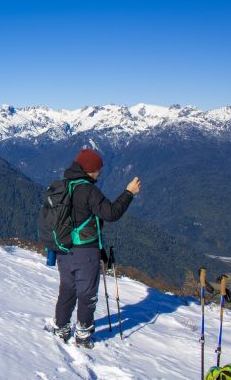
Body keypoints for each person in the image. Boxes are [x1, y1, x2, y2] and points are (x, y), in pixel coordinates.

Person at [52, 148, 141, 348]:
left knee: (67, 290)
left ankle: (61, 328)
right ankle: (83, 335)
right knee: (87, 293)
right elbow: (111, 213)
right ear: (89, 170)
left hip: (62, 249)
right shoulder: (88, 190)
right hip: (85, 251)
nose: (100, 173)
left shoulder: (62, 185)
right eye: (98, 170)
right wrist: (129, 192)